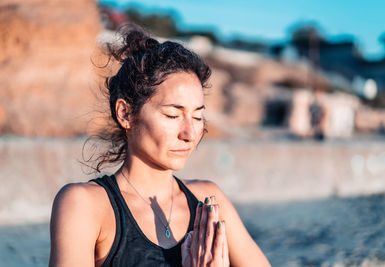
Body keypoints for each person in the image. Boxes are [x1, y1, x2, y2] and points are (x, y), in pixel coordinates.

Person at [49, 26, 271, 267]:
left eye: (197, 117)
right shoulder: (85, 205)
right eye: (172, 115)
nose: (190, 134)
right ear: (125, 113)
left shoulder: (208, 201)